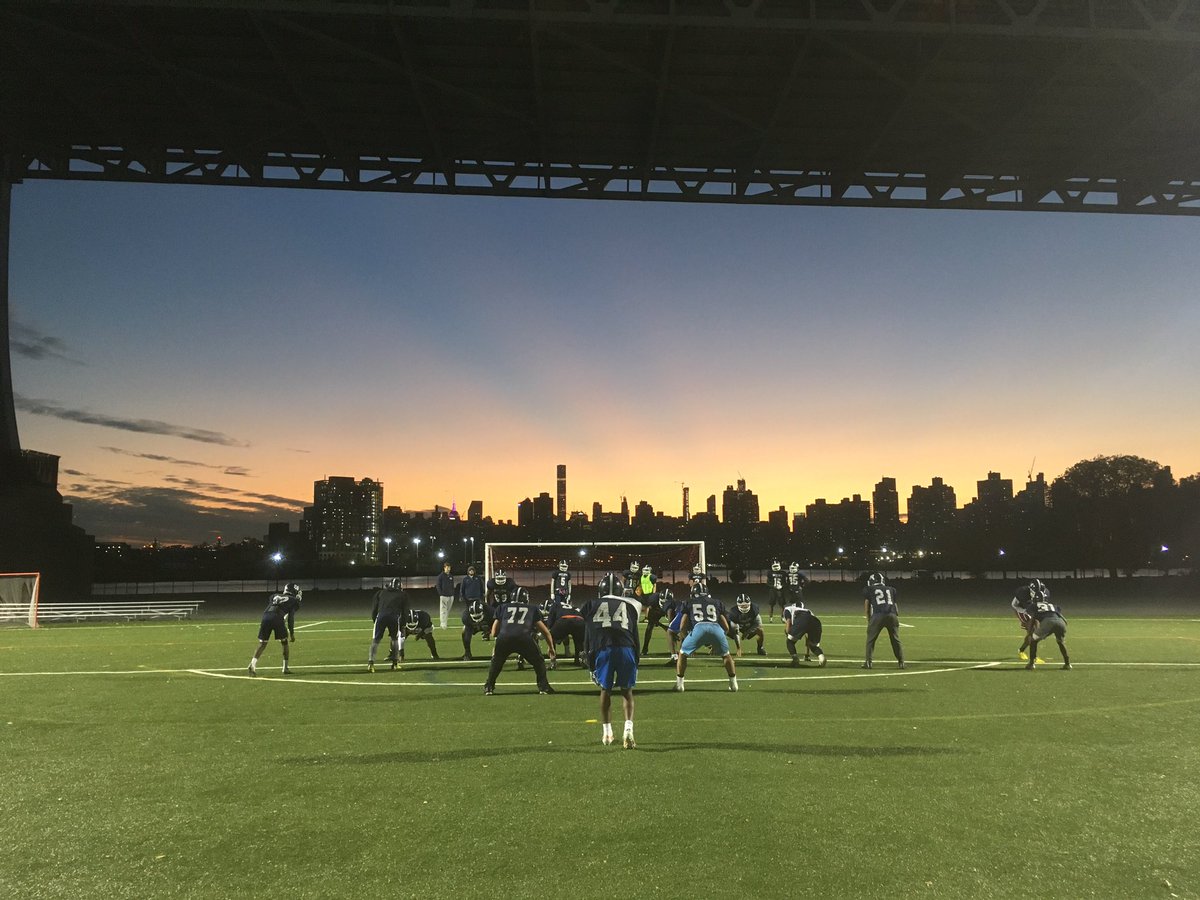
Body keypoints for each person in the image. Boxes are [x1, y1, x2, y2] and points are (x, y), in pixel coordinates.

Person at [590, 573, 643, 748]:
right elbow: (635, 635)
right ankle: (628, 729)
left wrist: (590, 663)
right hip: (626, 648)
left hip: (604, 649)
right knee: (627, 691)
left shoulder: (592, 605)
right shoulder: (629, 605)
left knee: (606, 689)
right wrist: (637, 658)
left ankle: (607, 733)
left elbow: (589, 636)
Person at [484, 585, 557, 695]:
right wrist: (551, 648)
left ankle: (489, 687)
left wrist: (500, 640)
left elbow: (494, 632)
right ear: (526, 598)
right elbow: (545, 631)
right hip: (524, 639)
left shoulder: (502, 607)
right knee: (538, 662)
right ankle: (543, 687)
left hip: (504, 638)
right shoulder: (532, 609)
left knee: (496, 663)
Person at [675, 586, 738, 692]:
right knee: (726, 655)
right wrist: (716, 642)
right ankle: (733, 684)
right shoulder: (717, 602)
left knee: (682, 654)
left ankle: (680, 685)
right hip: (716, 629)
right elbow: (726, 627)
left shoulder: (689, 602)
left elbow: (682, 626)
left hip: (698, 628)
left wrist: (688, 640)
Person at [248, 582, 301, 676]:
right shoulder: (293, 600)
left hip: (265, 616)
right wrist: (292, 633)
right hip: (277, 618)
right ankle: (285, 668)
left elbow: (275, 605)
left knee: (262, 644)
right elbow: (290, 618)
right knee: (284, 643)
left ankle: (253, 665)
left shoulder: (275, 595)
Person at [862, 572, 904, 669]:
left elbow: (867, 607)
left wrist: (869, 619)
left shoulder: (869, 589)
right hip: (892, 615)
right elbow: (896, 607)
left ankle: (868, 662)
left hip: (878, 615)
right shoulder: (891, 589)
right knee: (895, 640)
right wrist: (895, 617)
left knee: (870, 640)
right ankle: (901, 662)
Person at [367, 577, 406, 672]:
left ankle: (371, 663)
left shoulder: (380, 593)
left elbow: (374, 609)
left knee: (376, 640)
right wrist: (403, 625)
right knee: (394, 639)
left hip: (381, 616)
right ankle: (395, 663)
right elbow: (405, 611)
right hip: (394, 617)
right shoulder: (402, 595)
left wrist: (374, 619)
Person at [1025, 593, 1072, 671]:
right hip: (1060, 622)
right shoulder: (1053, 605)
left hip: (1048, 622)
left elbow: (1032, 620)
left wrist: (1029, 633)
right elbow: (1064, 619)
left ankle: (1031, 664)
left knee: (1033, 640)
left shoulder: (1033, 606)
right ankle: (1067, 664)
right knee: (1061, 642)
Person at [783, 596, 826, 667]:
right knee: (813, 645)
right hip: (816, 622)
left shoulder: (788, 609)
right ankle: (822, 658)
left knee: (790, 642)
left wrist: (788, 634)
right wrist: (807, 654)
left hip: (801, 620)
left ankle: (795, 660)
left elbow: (788, 621)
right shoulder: (808, 611)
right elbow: (807, 636)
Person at [1013, 579, 1049, 662]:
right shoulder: (1023, 592)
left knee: (1037, 633)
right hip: (1022, 609)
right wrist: (1024, 613)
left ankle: (1022, 650)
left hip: (1033, 611)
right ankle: (1031, 655)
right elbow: (1014, 605)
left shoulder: (1046, 593)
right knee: (1032, 633)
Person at [547, 594, 587, 666]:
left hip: (564, 619)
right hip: (579, 621)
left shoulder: (555, 605)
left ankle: (553, 660)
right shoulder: (575, 607)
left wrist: (551, 630)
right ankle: (580, 658)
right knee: (579, 641)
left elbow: (550, 623)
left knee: (551, 636)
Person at [727, 593, 766, 657]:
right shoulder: (733, 613)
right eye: (742, 606)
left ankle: (760, 648)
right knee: (722, 630)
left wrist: (747, 632)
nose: (744, 607)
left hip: (749, 628)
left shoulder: (754, 610)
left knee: (760, 630)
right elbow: (735, 631)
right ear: (738, 605)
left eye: (746, 605)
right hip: (738, 628)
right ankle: (715, 647)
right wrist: (738, 648)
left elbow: (758, 624)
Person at [641, 586, 673, 655]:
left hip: (667, 610)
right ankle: (645, 648)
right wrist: (662, 626)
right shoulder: (653, 599)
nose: (664, 604)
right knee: (649, 627)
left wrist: (671, 627)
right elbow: (650, 617)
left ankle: (679, 650)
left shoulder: (673, 604)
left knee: (674, 629)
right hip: (656, 610)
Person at [436, 562, 456, 630]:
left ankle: (445, 622)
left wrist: (452, 593)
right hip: (444, 595)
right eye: (447, 567)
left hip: (450, 596)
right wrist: (441, 594)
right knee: (443, 610)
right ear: (444, 568)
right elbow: (438, 585)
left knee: (448, 610)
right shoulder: (440, 576)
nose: (448, 569)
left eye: (449, 567)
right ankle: (443, 623)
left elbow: (452, 585)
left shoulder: (451, 576)